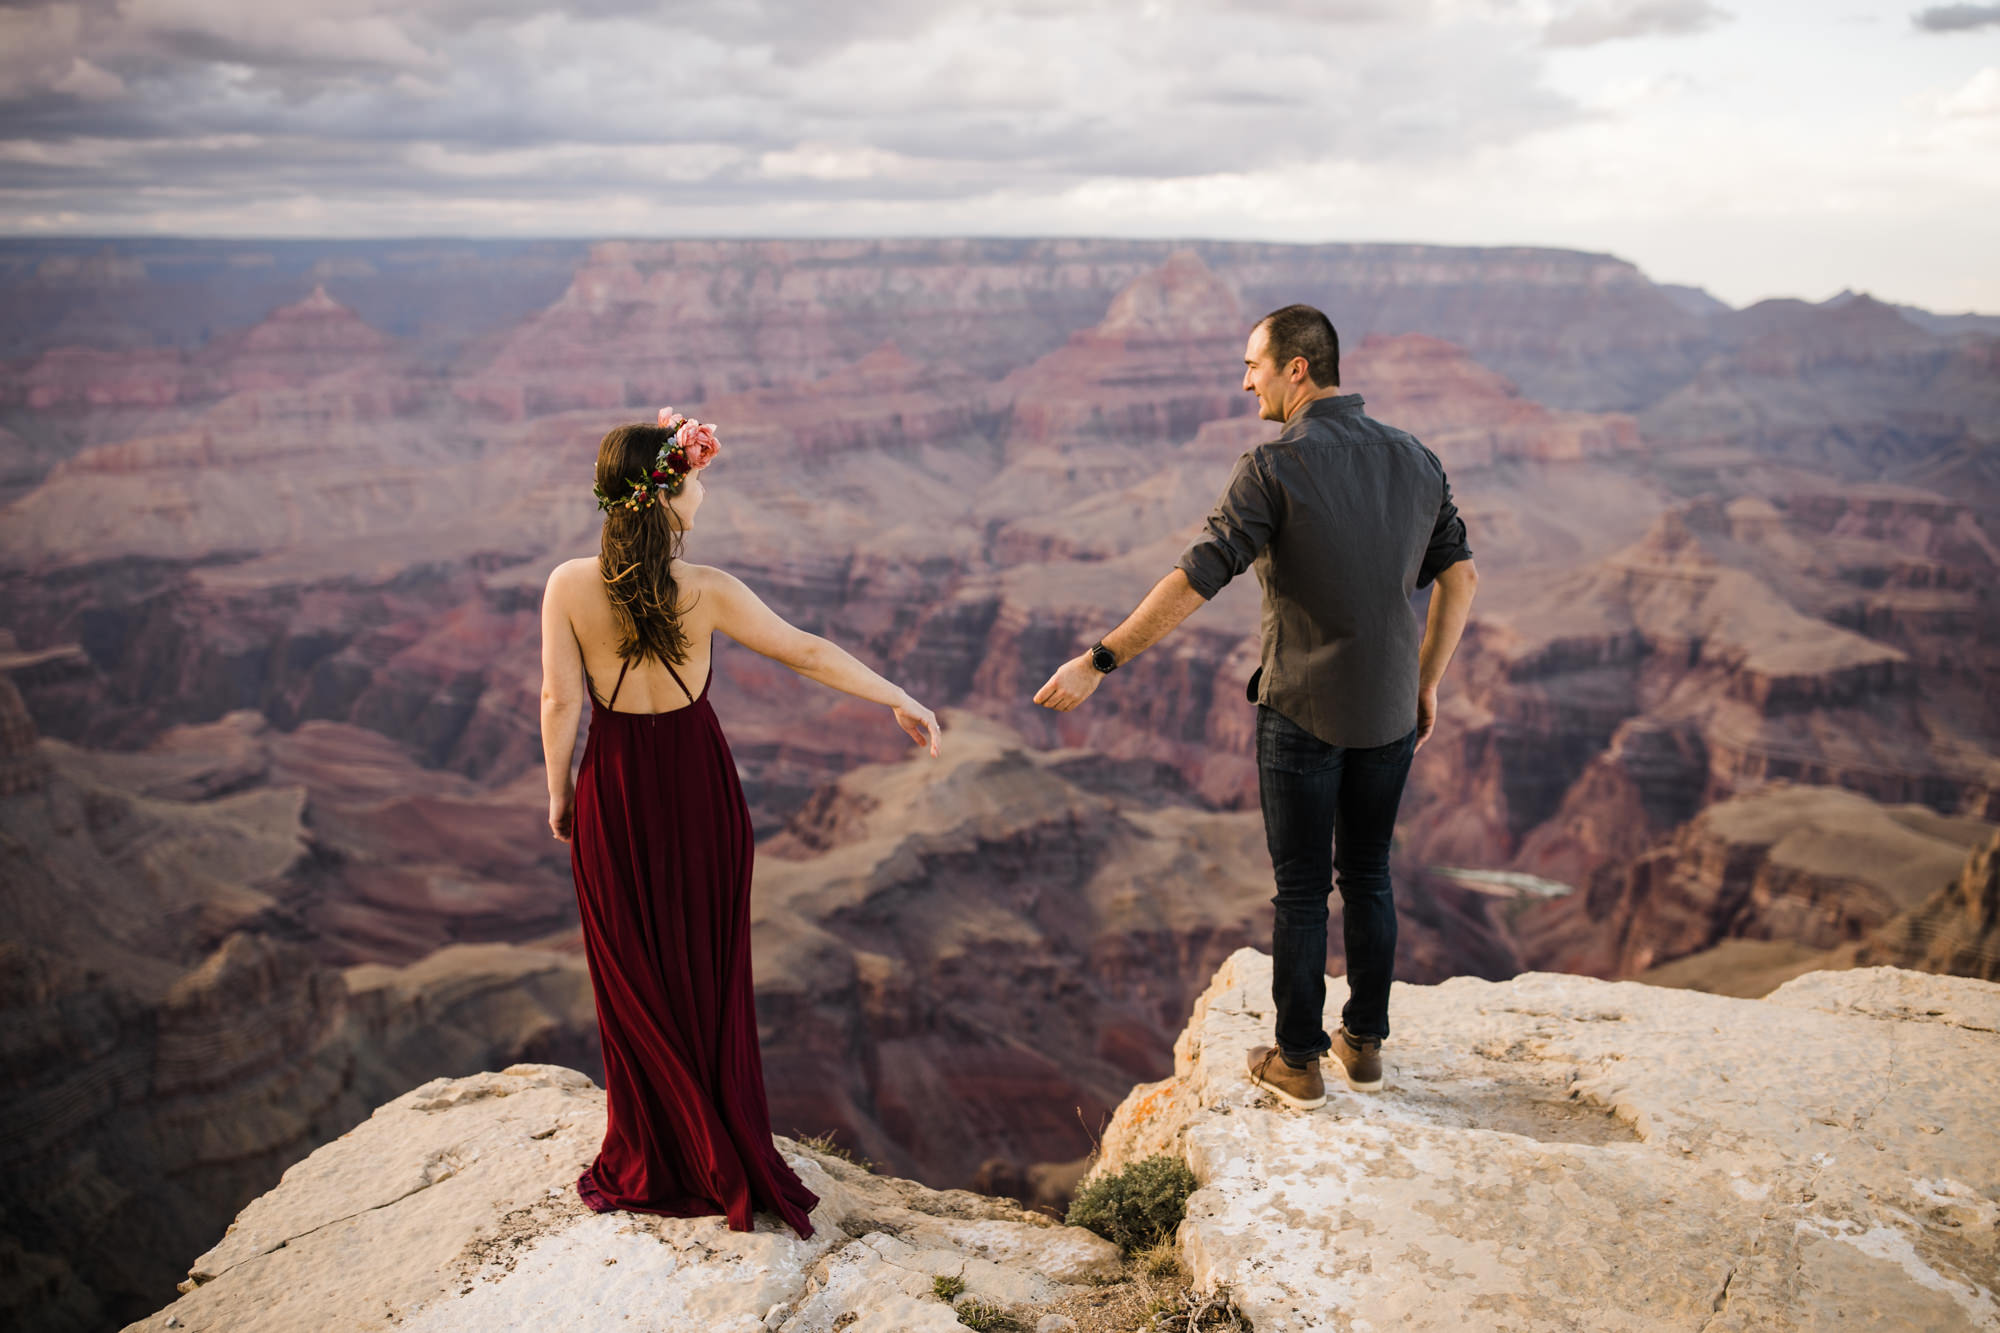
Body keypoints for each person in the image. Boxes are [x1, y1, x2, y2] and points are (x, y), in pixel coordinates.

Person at [1033, 305, 1477, 1109]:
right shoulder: (1417, 459)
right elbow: (1462, 579)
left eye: (1252, 366)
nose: (1245, 381)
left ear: (1295, 369)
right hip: (1390, 715)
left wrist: (1100, 659)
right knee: (1371, 873)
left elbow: (1196, 578)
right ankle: (1365, 1045)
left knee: (1304, 889)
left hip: (1301, 713)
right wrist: (1425, 681)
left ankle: (1299, 1061)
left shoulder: (1275, 468)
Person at [540, 409, 941, 1237]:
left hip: (613, 788)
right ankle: (718, 1142)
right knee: (705, 968)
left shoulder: (568, 585)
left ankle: (657, 1145)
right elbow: (806, 650)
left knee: (633, 971)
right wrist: (897, 697)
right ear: (667, 491)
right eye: (698, 480)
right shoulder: (709, 590)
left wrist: (560, 796)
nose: (706, 494)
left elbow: (559, 701)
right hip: (698, 789)